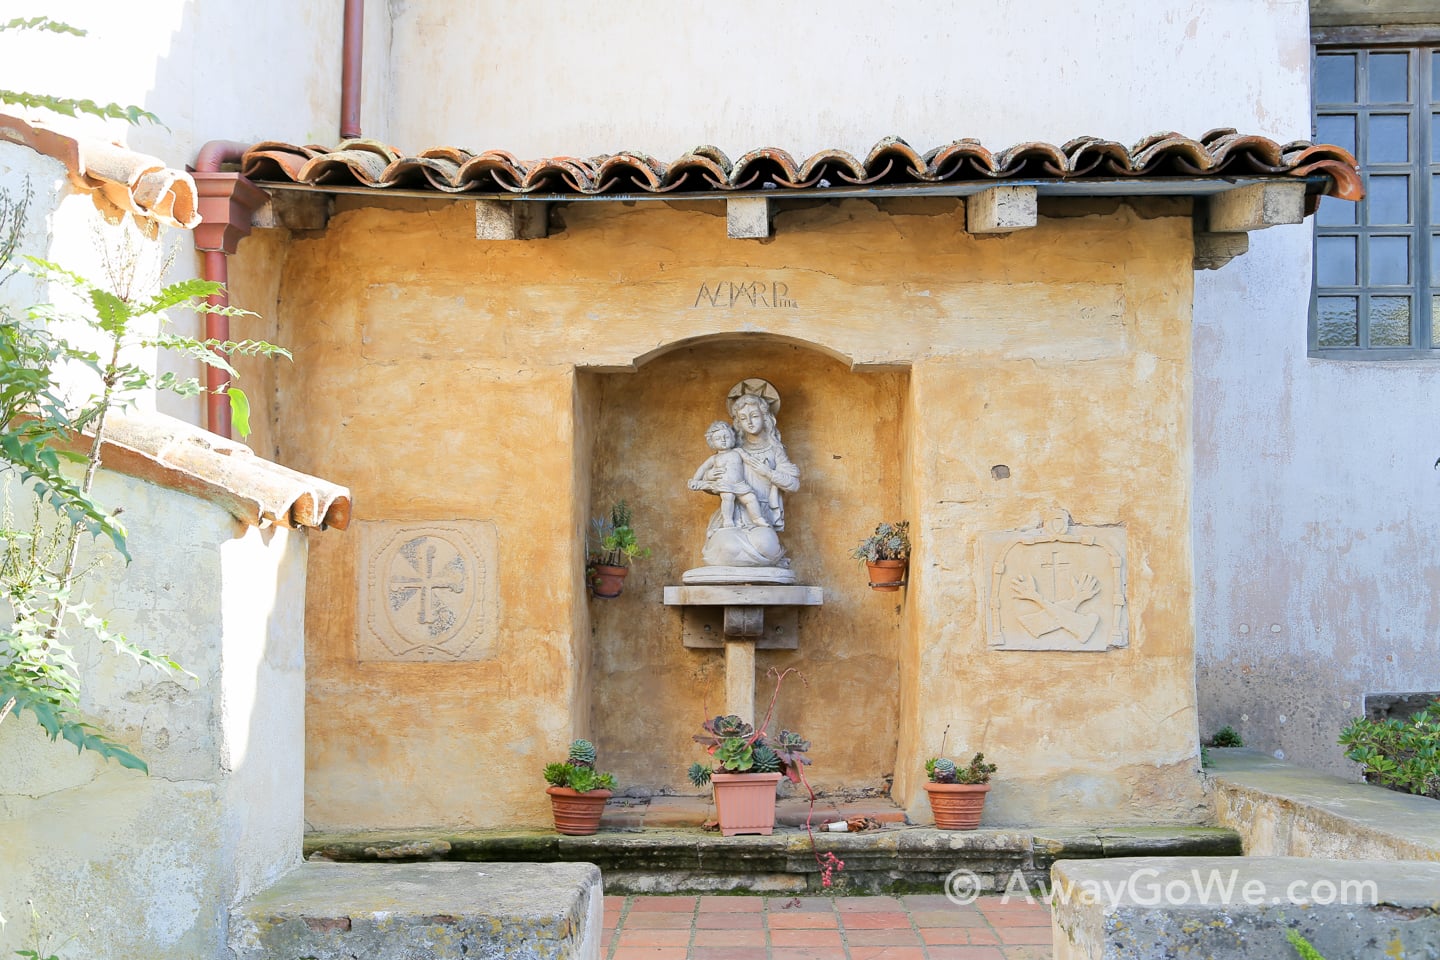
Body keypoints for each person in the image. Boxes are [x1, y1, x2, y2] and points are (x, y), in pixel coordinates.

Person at [688, 386, 801, 572]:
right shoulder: (732, 448)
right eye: (743, 418)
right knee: (725, 548)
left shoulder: (775, 450)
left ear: (765, 417)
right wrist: (709, 476)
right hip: (733, 515)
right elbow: (716, 482)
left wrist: (768, 472)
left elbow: (793, 484)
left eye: (754, 416)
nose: (749, 422)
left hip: (762, 517)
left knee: (767, 545)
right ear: (738, 422)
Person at [688, 421, 770, 529]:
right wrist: (695, 480)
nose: (723, 440)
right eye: (718, 439)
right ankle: (728, 520)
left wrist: (760, 463)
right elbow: (703, 468)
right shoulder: (714, 458)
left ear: (732, 437)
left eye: (726, 436)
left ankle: (757, 518)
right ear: (712, 443)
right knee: (727, 497)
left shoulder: (738, 451)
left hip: (740, 484)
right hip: (724, 484)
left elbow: (749, 460)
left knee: (751, 498)